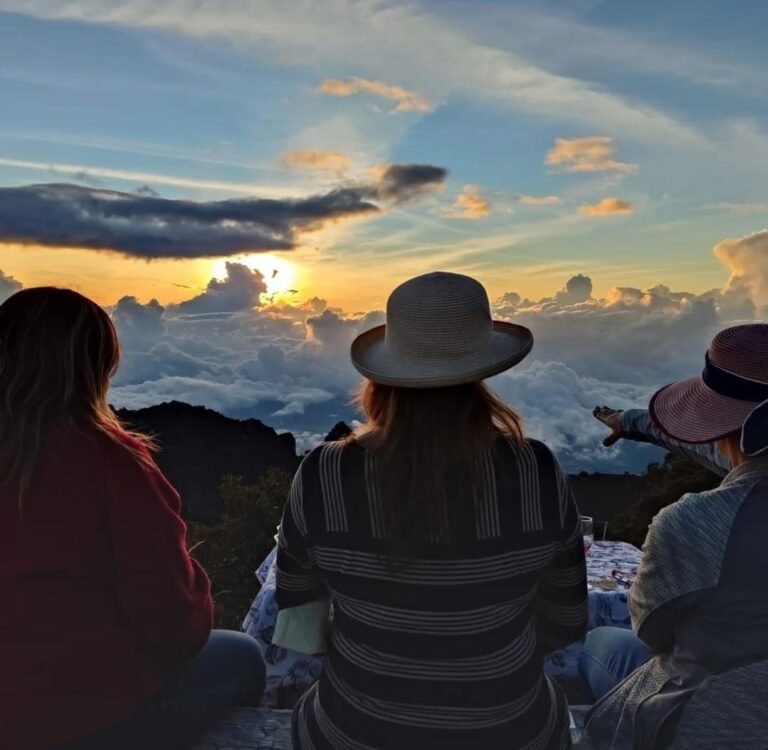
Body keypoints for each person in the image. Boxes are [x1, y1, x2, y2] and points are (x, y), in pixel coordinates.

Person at [274, 271, 589, 750]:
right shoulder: (536, 472)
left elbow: (299, 616)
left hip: (352, 733)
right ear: (482, 373)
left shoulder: (325, 475)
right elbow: (565, 620)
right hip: (510, 733)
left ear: (385, 376)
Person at [0, 288, 265, 750]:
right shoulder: (111, 464)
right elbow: (173, 626)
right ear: (95, 369)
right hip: (76, 715)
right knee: (245, 655)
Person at [581, 324, 768, 749]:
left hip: (706, 723)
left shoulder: (696, 523)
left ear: (718, 429)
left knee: (603, 642)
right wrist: (629, 422)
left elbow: (651, 632)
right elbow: (712, 451)